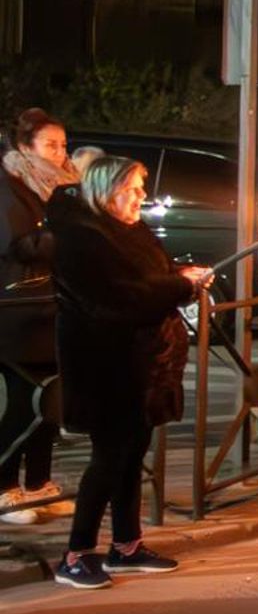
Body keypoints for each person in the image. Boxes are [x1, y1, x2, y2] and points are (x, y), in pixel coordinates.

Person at [49, 156, 207, 589]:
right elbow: (117, 300)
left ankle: (126, 545)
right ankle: (76, 553)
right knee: (109, 457)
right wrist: (179, 286)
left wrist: (180, 276)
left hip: (143, 364)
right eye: (134, 187)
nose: (143, 195)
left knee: (132, 453)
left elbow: (148, 278)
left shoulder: (128, 229)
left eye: (141, 187)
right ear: (107, 189)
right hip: (107, 366)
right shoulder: (83, 238)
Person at [0, 109, 79, 525]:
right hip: (19, 308)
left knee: (53, 398)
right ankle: (4, 487)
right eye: (50, 145)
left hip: (55, 304)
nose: (59, 153)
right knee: (22, 401)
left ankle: (38, 484)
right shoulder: (10, 185)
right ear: (25, 147)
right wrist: (64, 232)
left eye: (63, 145)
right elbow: (17, 245)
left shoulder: (63, 188)